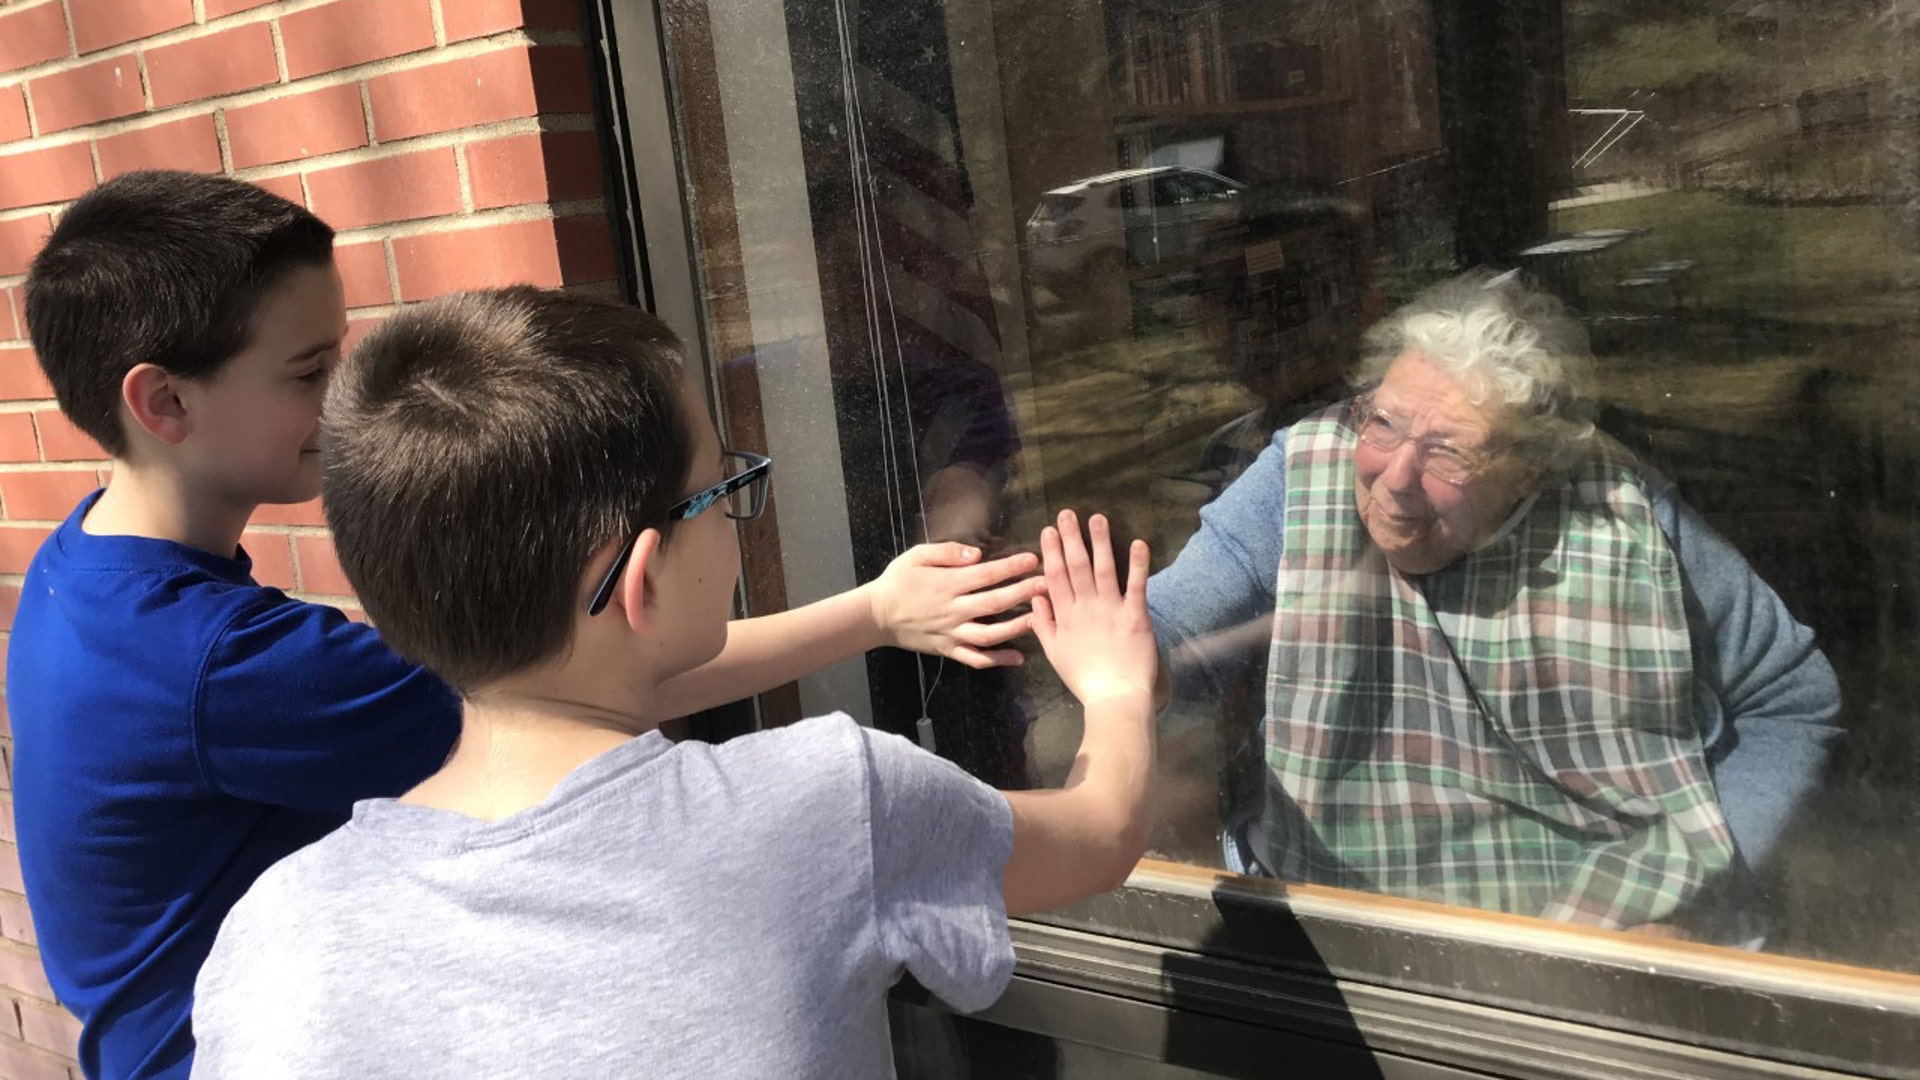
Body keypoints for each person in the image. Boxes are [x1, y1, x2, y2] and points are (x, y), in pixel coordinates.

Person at [8, 172, 1043, 1080]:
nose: (347, 405)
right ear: (163, 403)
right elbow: (592, 672)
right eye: (308, 373)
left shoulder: (84, 571)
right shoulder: (225, 664)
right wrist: (874, 612)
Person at [187, 288, 1158, 1078]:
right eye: (724, 489)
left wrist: (873, 610)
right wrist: (1113, 689)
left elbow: (594, 696)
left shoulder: (277, 937)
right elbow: (1105, 834)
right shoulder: (825, 808)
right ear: (642, 571)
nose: (740, 511)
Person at [1148, 270, 1842, 938]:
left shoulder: (1623, 519)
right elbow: (1175, 633)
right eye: (1382, 423)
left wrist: (1695, 905)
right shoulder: (1299, 478)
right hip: (1327, 906)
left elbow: (1789, 697)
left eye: (1448, 453)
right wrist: (1122, 649)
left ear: (1529, 472)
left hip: (1588, 931)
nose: (1394, 478)